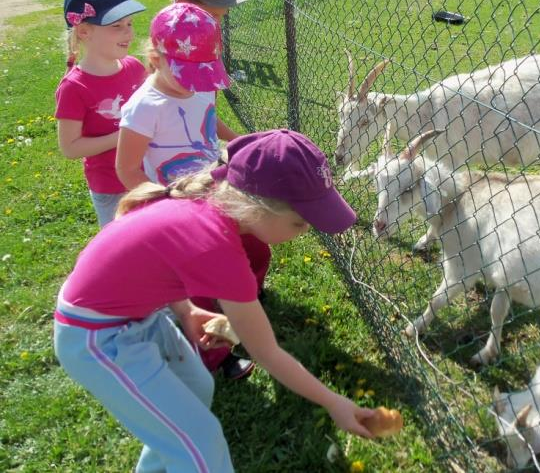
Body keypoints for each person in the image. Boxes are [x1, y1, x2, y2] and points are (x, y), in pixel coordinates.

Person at [54, 129, 375, 473]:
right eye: (300, 223)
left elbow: (157, 264)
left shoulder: (206, 203)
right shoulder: (219, 249)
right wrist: (333, 402)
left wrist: (187, 309)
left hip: (132, 316)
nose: (304, 231)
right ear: (256, 206)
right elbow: (267, 353)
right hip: (96, 337)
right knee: (202, 446)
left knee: (196, 388)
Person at [115, 1, 250, 379]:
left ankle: (244, 300)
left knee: (242, 251)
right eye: (187, 74)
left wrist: (240, 141)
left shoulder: (201, 84)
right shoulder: (144, 107)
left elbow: (209, 120)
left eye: (203, 73)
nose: (197, 82)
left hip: (214, 190)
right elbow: (126, 167)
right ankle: (214, 357)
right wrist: (160, 201)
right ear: (155, 58)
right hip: (175, 202)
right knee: (199, 282)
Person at [54, 0, 146, 227]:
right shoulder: (74, 87)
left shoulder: (135, 68)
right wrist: (123, 135)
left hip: (147, 174)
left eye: (129, 24)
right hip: (112, 188)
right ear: (84, 32)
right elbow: (70, 148)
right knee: (124, 249)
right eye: (117, 26)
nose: (128, 33)